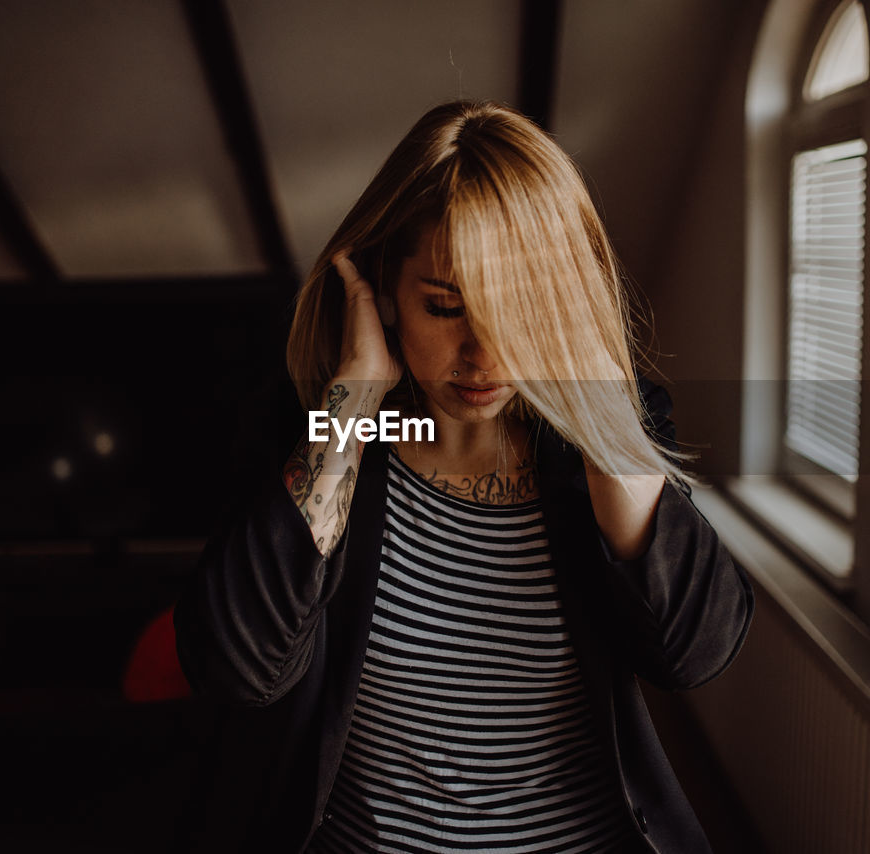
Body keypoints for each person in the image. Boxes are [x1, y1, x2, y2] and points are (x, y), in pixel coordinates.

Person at [173, 100, 753, 853]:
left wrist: (600, 415)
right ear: (385, 289)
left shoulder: (604, 427)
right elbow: (237, 668)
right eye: (446, 306)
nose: (483, 355)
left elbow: (695, 651)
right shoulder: (327, 429)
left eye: (518, 310)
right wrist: (350, 401)